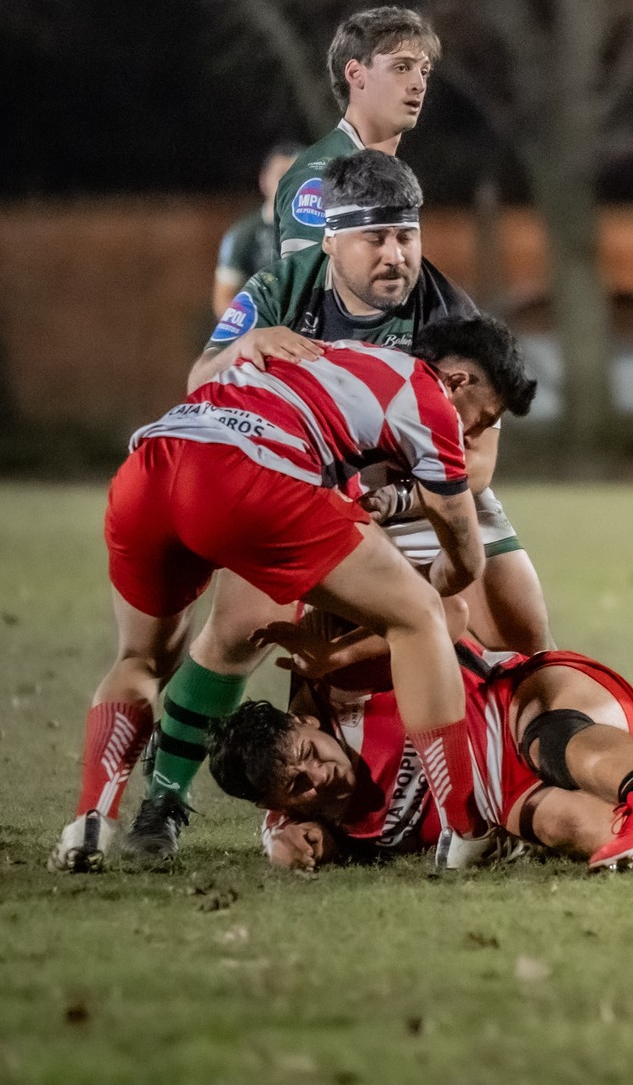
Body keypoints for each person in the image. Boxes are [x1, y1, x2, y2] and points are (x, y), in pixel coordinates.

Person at [113, 151, 556, 864]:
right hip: (299, 483)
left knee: (524, 627)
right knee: (241, 626)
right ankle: (166, 800)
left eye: (406, 236)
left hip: (426, 492)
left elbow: (477, 461)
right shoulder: (280, 287)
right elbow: (200, 380)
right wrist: (249, 345)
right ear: (332, 240)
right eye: (375, 238)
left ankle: (538, 771)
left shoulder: (448, 312)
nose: (395, 254)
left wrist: (406, 499)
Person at [50, 315, 537, 873]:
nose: (475, 434)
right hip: (244, 476)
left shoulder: (328, 358)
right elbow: (466, 559)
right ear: (457, 383)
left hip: (151, 467)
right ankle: (468, 830)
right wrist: (422, 591)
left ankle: (91, 819)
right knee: (419, 617)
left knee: (139, 658)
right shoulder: (426, 399)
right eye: (486, 418)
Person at [205, 624, 633, 874]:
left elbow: (437, 618)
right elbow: (292, 838)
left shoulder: (342, 694)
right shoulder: (327, 832)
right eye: (299, 786)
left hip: (521, 700)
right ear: (283, 803)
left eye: (311, 751)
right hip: (503, 795)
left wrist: (338, 655)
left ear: (304, 724)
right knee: (566, 823)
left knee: (549, 736)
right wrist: (284, 843)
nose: (322, 774)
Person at [275, 6, 437, 258]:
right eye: (402, 67)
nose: (419, 85)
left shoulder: (386, 174)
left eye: (424, 71)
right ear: (355, 74)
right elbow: (306, 293)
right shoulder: (320, 177)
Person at [212, 142, 301, 318]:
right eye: (281, 175)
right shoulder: (244, 234)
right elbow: (224, 299)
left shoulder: (320, 232)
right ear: (264, 180)